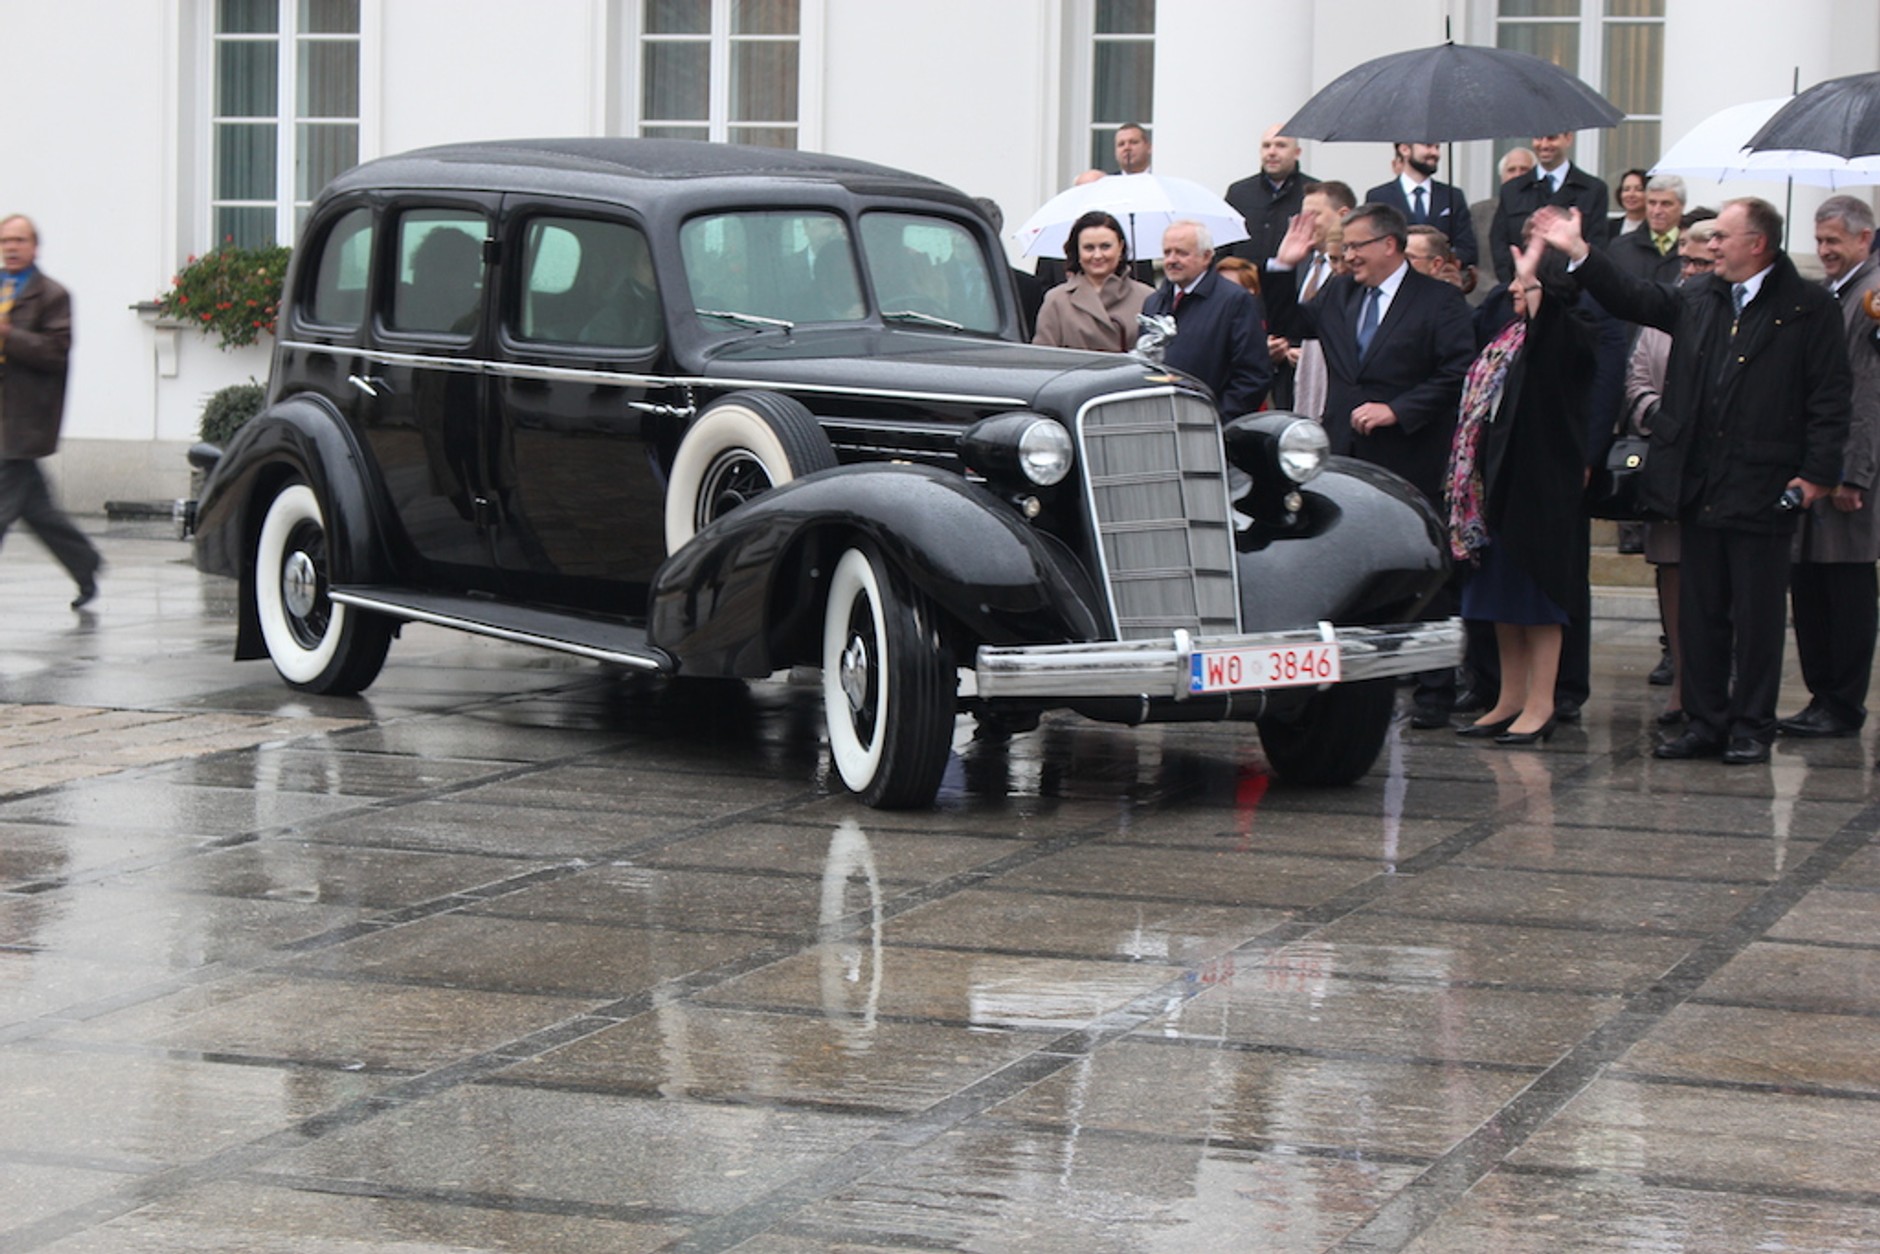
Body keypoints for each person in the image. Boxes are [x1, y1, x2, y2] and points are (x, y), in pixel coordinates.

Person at [1531, 199, 1851, 764]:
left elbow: (1829, 398)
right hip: (1699, 483)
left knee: (1756, 618)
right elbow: (1635, 298)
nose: (1709, 246)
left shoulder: (1808, 306)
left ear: (1758, 243)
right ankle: (1705, 722)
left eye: (1722, 237)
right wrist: (1580, 252)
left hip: (1765, 485)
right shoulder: (1701, 296)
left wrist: (1816, 476)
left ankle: (1752, 725)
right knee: (1700, 614)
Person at [1268, 202, 1476, 726]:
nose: (1347, 256)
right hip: (1346, 454)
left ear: (1389, 245)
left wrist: (1398, 410)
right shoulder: (1340, 292)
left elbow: (1458, 371)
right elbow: (1292, 322)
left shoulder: (1439, 301)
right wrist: (1283, 267)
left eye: (1356, 246)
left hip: (1409, 454)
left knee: (1420, 565)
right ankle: (1358, 680)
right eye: (1343, 247)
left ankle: (1433, 691)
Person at [1446, 229, 1598, 744]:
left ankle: (1540, 703)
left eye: (1526, 281)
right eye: (1515, 280)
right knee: (1500, 603)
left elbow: (1552, 344)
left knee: (1537, 601)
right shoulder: (1505, 334)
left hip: (1538, 490)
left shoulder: (1571, 333)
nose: (1514, 289)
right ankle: (1508, 699)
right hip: (1491, 489)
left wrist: (1539, 291)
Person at [1778, 196, 1880, 739]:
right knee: (1810, 582)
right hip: (1816, 465)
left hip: (1847, 473)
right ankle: (1822, 694)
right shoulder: (1831, 292)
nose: (1824, 251)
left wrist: (1852, 473)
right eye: (1819, 242)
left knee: (1845, 586)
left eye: (1834, 242)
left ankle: (1842, 701)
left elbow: (1868, 394)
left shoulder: (1873, 297)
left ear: (1864, 239)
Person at [1621, 220, 1721, 726]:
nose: (1691, 270)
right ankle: (1681, 683)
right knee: (1673, 576)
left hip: (1719, 470)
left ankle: (1719, 686)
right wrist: (1660, 416)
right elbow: (1637, 375)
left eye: (1702, 261)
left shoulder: (1731, 311)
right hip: (1667, 460)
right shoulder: (1665, 311)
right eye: (1685, 260)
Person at [0, 215, 102, 610]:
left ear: (34, 247)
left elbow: (55, 352)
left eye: (19, 240)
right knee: (38, 511)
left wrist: (10, 335)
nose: (11, 247)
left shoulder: (51, 295)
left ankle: (85, 563)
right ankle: (85, 562)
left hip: (25, 421)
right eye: (6, 240)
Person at [1141, 220, 1271, 418]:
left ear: (1207, 256)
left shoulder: (1235, 301)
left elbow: (1253, 375)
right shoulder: (1153, 302)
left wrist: (1216, 418)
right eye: (1167, 252)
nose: (1171, 260)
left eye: (1182, 253)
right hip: (1160, 421)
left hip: (1211, 428)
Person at [1490, 132, 1609, 283]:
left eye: (1552, 138)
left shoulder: (1593, 189)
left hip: (1573, 293)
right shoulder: (1512, 190)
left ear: (1568, 138)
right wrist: (1515, 282)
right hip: (1521, 290)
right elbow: (1499, 243)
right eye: (1538, 138)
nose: (1544, 145)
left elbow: (1597, 243)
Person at [1031, 210, 1154, 353]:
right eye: (1089, 248)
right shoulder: (1057, 301)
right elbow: (1044, 358)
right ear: (1077, 251)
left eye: (1105, 246)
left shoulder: (1147, 298)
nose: (1097, 255)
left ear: (1120, 247)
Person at [1365, 141, 1478, 270]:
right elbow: (1373, 246)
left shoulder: (1453, 196)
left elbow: (1468, 249)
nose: (1435, 153)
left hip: (1440, 282)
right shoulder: (1379, 196)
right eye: (1428, 146)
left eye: (1437, 147)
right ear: (1405, 149)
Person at [1224, 126, 1313, 267]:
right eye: (1266, 146)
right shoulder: (1239, 192)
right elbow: (1224, 245)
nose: (1272, 152)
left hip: (1292, 284)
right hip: (1244, 283)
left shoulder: (1313, 193)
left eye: (1281, 145)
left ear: (1297, 153)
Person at [1469, 148, 1536, 308]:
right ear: (1501, 176)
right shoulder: (1479, 211)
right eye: (1511, 170)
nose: (1517, 175)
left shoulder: (1541, 212)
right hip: (1485, 297)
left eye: (1524, 170)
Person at [1608, 175, 1687, 285]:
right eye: (1652, 203)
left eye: (1666, 204)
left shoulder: (1692, 249)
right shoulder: (1620, 248)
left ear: (1682, 206)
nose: (1657, 211)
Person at [1611, 169, 1649, 238]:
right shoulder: (1609, 228)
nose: (1631, 195)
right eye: (1626, 189)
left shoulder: (1656, 228)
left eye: (1639, 189)